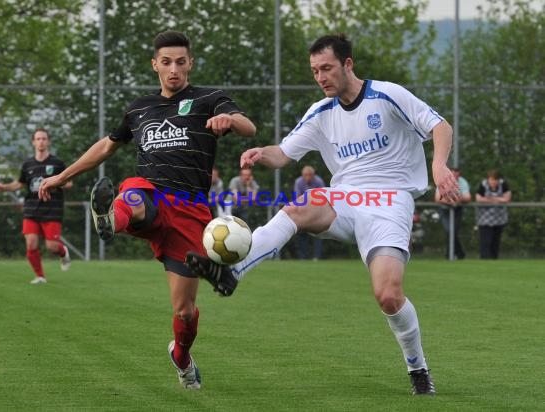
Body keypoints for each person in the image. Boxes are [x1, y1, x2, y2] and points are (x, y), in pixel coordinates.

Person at [187, 33, 461, 396]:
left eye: (327, 68)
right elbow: (283, 154)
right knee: (297, 207)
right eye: (315, 71)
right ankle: (233, 270)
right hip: (343, 199)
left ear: (348, 64)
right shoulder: (320, 112)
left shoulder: (388, 94)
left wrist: (439, 167)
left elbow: (440, 126)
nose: (321, 77)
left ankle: (418, 368)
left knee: (389, 296)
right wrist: (259, 154)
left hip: (390, 202)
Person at [38, 31, 256, 389]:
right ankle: (110, 219)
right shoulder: (140, 108)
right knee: (133, 194)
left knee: (184, 312)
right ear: (155, 64)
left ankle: (182, 357)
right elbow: (106, 147)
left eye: (181, 62)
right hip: (151, 194)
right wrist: (62, 176)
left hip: (190, 211)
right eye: (166, 62)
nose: (174, 69)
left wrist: (229, 120)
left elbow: (249, 126)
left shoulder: (208, 99)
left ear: (190, 63)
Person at [0, 128, 72, 284]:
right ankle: (40, 276)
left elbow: (69, 183)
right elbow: (19, 184)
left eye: (44, 138)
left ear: (48, 141)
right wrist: (3, 187)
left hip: (52, 210)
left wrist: (55, 183)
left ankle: (63, 252)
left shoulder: (57, 163)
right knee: (31, 244)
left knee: (52, 247)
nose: (41, 141)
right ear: (33, 142)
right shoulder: (27, 164)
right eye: (38, 139)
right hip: (31, 209)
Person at [434, 167, 471, 260]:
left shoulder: (462, 182)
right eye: (452, 174)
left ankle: (452, 254)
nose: (454, 176)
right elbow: (437, 198)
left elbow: (467, 197)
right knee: (449, 231)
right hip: (445, 209)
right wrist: (451, 200)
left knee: (453, 231)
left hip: (457, 209)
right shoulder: (442, 181)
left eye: (456, 174)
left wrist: (455, 199)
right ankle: (458, 253)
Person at [475, 170, 511, 259]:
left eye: (495, 180)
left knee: (496, 241)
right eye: (491, 180)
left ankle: (494, 259)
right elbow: (479, 199)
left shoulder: (503, 184)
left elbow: (507, 199)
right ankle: (485, 259)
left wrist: (491, 198)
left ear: (498, 180)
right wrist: (497, 200)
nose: (493, 182)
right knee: (486, 240)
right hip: (485, 218)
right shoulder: (483, 185)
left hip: (499, 218)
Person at [294, 165, 325, 260]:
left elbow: (323, 198)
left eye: (309, 175)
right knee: (302, 235)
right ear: (303, 175)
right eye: (305, 175)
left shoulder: (319, 182)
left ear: (313, 175)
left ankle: (317, 257)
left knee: (318, 235)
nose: (307, 177)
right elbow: (297, 199)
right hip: (303, 211)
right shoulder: (298, 182)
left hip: (317, 212)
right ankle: (302, 257)